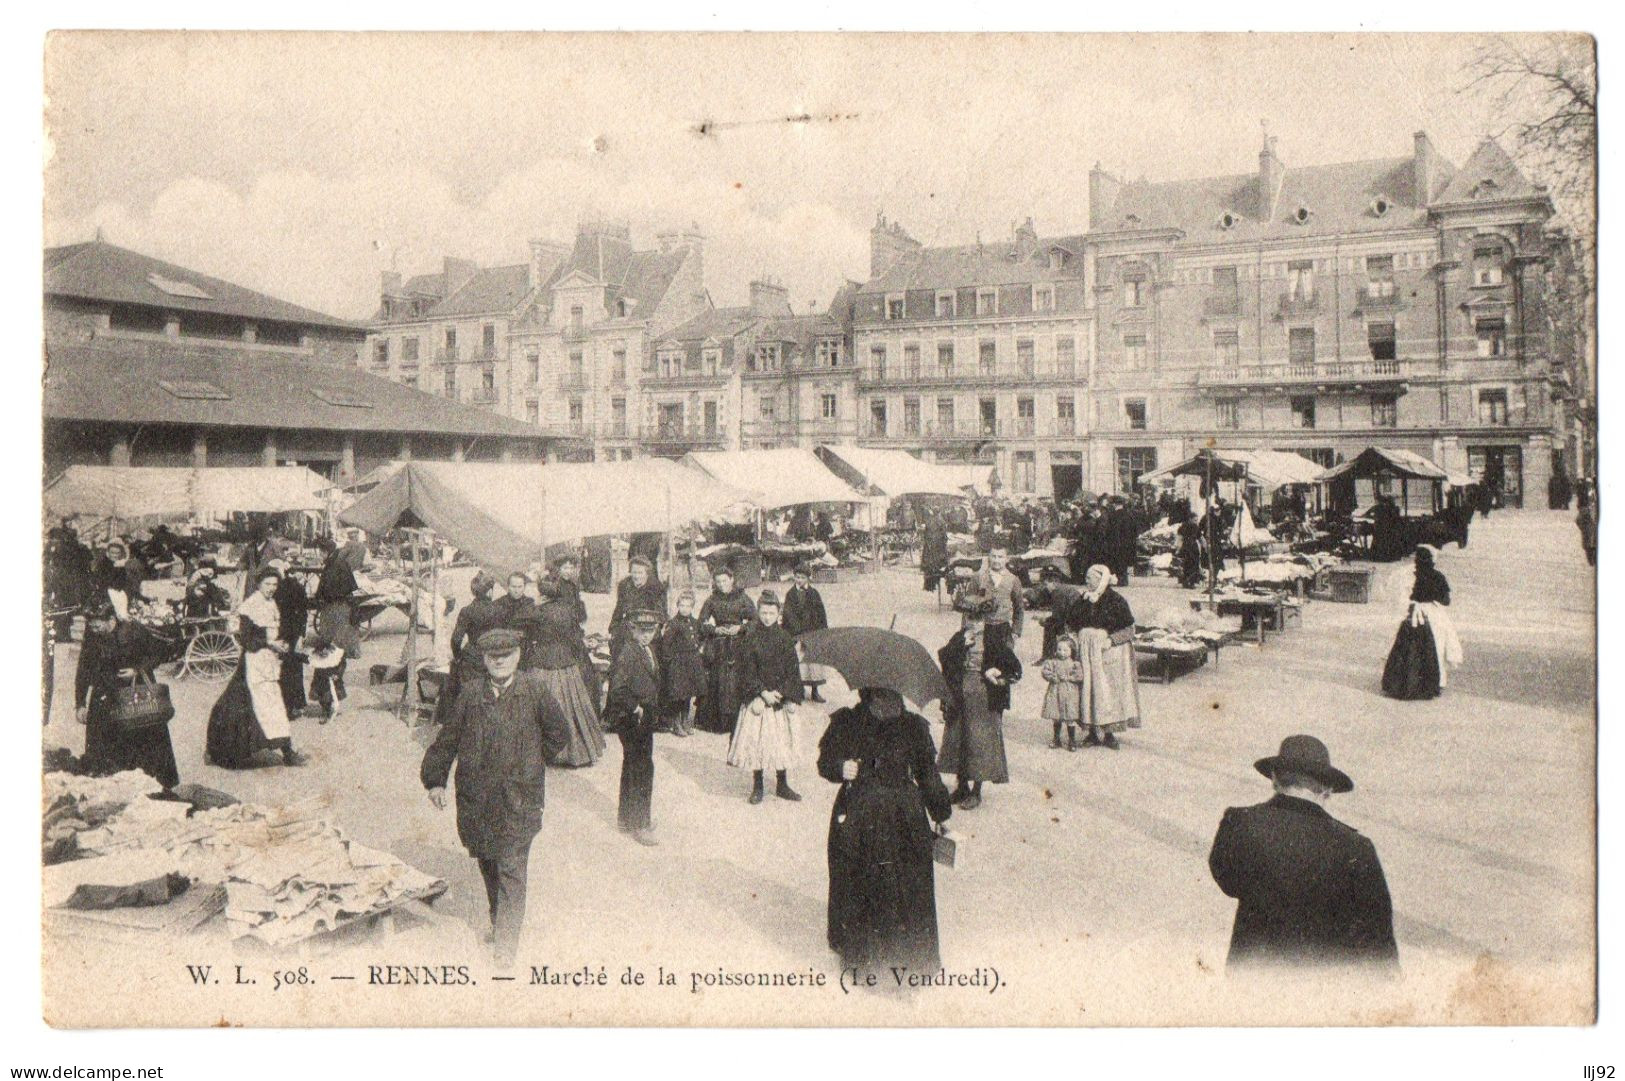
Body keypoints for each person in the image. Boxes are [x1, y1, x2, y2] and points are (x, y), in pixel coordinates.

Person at [421, 628, 571, 968]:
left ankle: (506, 947)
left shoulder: (534, 690)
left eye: (506, 655)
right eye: (493, 656)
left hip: (520, 799)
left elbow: (559, 733)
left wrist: (532, 762)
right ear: (485, 660)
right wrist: (436, 781)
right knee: (488, 861)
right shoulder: (471, 694)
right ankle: (497, 919)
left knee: (511, 867)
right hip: (478, 799)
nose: (500, 661)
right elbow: (448, 739)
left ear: (518, 656)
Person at [1207, 735, 1399, 974]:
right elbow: (1379, 942)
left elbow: (1229, 882)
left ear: (1275, 779)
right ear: (1327, 789)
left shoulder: (1240, 823)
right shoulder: (1356, 847)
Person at [818, 686, 954, 977]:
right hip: (877, 812)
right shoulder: (848, 723)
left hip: (883, 814)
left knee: (881, 880)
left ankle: (882, 956)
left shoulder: (911, 727)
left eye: (890, 698)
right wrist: (841, 767)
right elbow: (826, 762)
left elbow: (928, 774)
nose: (886, 704)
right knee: (876, 879)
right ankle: (880, 955)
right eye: (881, 698)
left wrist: (941, 812)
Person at [206, 567, 307, 768]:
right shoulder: (250, 606)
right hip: (253, 663)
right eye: (267, 584)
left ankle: (287, 752)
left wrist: (282, 643)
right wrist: (270, 643)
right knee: (259, 706)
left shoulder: (272, 603)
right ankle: (281, 753)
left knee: (274, 706)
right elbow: (246, 638)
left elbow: (276, 630)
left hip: (269, 662)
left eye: (275, 585)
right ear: (259, 584)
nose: (271, 588)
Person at [75, 602, 179, 789]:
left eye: (98, 626)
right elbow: (83, 669)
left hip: (135, 694)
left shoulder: (134, 631)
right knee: (104, 747)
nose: (94, 630)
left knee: (142, 743)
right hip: (104, 696)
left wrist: (137, 670)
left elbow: (160, 652)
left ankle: (153, 787)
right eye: (91, 626)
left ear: (111, 620)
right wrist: (80, 703)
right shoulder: (92, 636)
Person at [937, 590, 1020, 810]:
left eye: (976, 618)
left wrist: (995, 672)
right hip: (960, 693)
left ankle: (976, 790)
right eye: (967, 617)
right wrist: (960, 645)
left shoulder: (995, 639)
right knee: (959, 739)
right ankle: (962, 785)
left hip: (984, 695)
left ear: (986, 618)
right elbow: (944, 658)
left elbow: (1014, 668)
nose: (972, 622)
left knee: (979, 742)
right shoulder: (961, 636)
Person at [728, 590, 806, 803]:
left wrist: (781, 693)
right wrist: (762, 692)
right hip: (759, 698)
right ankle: (758, 785)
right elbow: (746, 671)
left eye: (771, 613)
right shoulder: (750, 638)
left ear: (778, 614)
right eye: (763, 612)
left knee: (781, 743)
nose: (767, 617)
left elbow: (792, 671)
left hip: (779, 698)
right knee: (758, 743)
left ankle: (782, 784)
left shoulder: (785, 639)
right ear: (758, 612)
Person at [1063, 565, 1141, 749]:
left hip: (1110, 654)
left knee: (1108, 693)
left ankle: (1108, 733)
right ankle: (1091, 732)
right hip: (1085, 654)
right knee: (1088, 692)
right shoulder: (1082, 600)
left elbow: (1129, 629)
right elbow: (1070, 624)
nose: (1086, 581)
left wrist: (1111, 640)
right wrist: (1072, 641)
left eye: (1090, 577)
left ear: (1101, 580)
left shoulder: (1116, 600)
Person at [604, 608, 663, 845]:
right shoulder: (628, 653)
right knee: (641, 767)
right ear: (633, 630)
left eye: (650, 631)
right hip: (633, 719)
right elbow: (617, 689)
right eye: (641, 631)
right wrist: (634, 707)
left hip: (643, 716)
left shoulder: (647, 649)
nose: (646, 635)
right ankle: (640, 824)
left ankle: (627, 818)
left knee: (633, 765)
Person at [531, 591, 607, 767]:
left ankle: (542, 752)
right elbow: (575, 638)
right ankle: (575, 752)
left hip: (542, 661)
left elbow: (531, 637)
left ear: (543, 594)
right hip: (565, 661)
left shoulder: (537, 612)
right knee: (573, 704)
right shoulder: (568, 610)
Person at [1381, 545, 1461, 700]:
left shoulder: (1407, 575)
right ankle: (1435, 681)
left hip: (1412, 613)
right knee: (1437, 646)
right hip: (1432, 614)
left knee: (1406, 648)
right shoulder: (1438, 576)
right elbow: (1446, 601)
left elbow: (1397, 596)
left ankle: (1402, 684)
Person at [696, 565, 757, 734]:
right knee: (720, 680)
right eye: (718, 581)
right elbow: (701, 622)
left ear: (732, 580)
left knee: (737, 680)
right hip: (719, 645)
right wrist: (715, 629)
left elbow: (755, 620)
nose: (722, 584)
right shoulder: (712, 599)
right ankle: (719, 723)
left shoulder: (742, 598)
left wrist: (740, 628)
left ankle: (737, 722)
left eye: (725, 580)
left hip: (739, 644)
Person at [657, 590, 706, 736]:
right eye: (682, 606)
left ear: (692, 607)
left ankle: (685, 721)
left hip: (692, 663)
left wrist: (698, 648)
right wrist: (669, 662)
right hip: (678, 664)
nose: (685, 609)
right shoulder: (673, 623)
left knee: (688, 694)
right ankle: (676, 724)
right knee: (678, 695)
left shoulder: (695, 622)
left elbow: (700, 636)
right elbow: (666, 645)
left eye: (688, 606)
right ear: (678, 606)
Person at [608, 555, 669, 664]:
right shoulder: (624, 585)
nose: (636, 576)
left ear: (647, 573)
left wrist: (648, 632)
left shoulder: (657, 588)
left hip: (649, 629)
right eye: (634, 572)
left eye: (640, 573)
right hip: (629, 627)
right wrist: (613, 628)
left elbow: (660, 615)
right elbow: (619, 608)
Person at [783, 563, 830, 702]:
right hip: (796, 633)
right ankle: (800, 690)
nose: (799, 580)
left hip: (813, 632)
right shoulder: (790, 594)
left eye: (802, 577)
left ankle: (815, 691)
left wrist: (823, 631)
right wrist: (796, 632)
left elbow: (821, 613)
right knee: (799, 661)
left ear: (808, 578)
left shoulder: (814, 593)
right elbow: (788, 614)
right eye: (797, 577)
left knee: (814, 662)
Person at [271, 562, 310, 719]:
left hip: (286, 633)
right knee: (292, 669)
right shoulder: (293, 587)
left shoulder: (285, 588)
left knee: (286, 670)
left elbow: (301, 613)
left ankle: (288, 707)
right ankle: (295, 705)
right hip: (287, 633)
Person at [313, 538, 362, 660]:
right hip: (337, 601)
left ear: (326, 552)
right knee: (334, 629)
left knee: (338, 630)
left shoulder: (336, 564)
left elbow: (330, 586)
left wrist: (320, 597)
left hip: (339, 603)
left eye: (321, 552)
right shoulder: (333, 562)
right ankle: (336, 650)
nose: (320, 555)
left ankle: (343, 652)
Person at [1041, 636, 1086, 751]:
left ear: (1072, 651)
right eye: (1059, 649)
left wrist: (1069, 677)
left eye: (1065, 650)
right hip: (1056, 692)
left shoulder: (1074, 664)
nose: (1062, 652)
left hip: (1069, 693)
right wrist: (1053, 677)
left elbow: (1080, 676)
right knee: (1057, 717)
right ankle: (1056, 739)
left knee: (1070, 718)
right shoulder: (1053, 662)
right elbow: (1045, 672)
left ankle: (1072, 741)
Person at [494, 571, 541, 667]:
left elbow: (535, 630)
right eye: (513, 587)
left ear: (524, 587)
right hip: (505, 650)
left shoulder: (529, 603)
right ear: (508, 586)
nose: (516, 590)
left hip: (525, 652)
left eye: (520, 587)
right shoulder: (499, 604)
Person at [920, 511, 949, 594]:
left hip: (930, 545)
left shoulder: (929, 520)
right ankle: (934, 583)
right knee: (936, 566)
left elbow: (925, 533)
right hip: (937, 545)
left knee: (930, 567)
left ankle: (929, 585)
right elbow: (944, 533)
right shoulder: (941, 520)